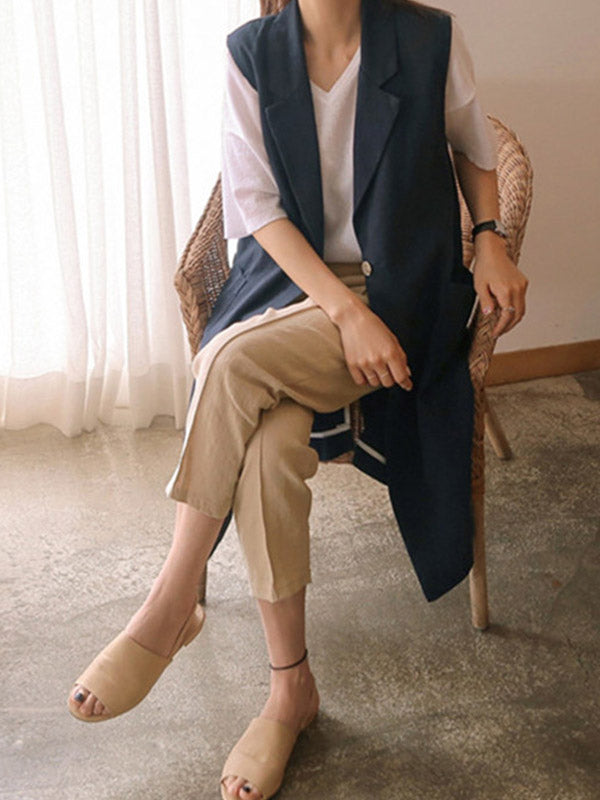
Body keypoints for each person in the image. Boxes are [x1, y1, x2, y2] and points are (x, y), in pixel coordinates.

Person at [66, 1, 529, 799]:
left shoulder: (430, 37)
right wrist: (342, 313)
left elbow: (473, 148)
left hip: (400, 294)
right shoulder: (250, 53)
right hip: (292, 291)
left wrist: (489, 237)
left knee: (229, 363)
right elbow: (257, 210)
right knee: (268, 447)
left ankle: (172, 603)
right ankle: (292, 691)